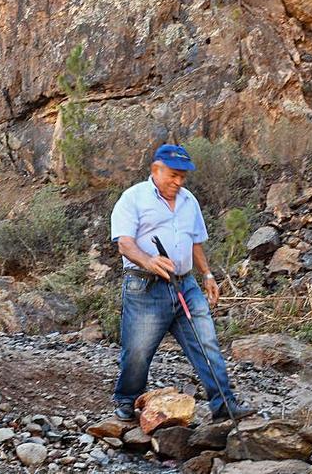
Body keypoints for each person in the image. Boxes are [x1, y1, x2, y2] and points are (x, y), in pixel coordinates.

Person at [109, 144, 255, 422]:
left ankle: (223, 403)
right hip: (146, 287)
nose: (178, 182)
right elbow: (125, 244)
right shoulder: (133, 198)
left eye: (183, 177)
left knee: (206, 343)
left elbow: (195, 241)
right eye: (173, 175)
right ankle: (128, 401)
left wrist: (208, 275)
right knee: (138, 351)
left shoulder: (189, 201)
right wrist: (149, 260)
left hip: (185, 285)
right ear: (156, 169)